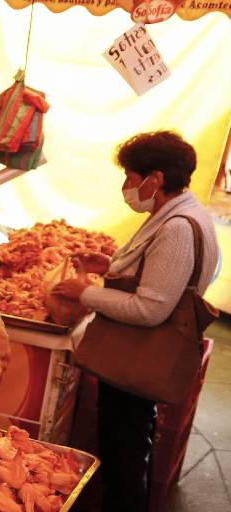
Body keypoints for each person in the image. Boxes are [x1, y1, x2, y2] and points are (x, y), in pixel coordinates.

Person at [52, 131, 218, 511]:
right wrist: (109, 265)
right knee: (128, 441)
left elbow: (150, 309)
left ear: (154, 179)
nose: (126, 187)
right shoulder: (181, 213)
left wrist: (84, 293)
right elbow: (161, 274)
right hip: (140, 354)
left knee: (125, 448)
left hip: (140, 357)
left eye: (130, 177)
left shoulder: (178, 228)